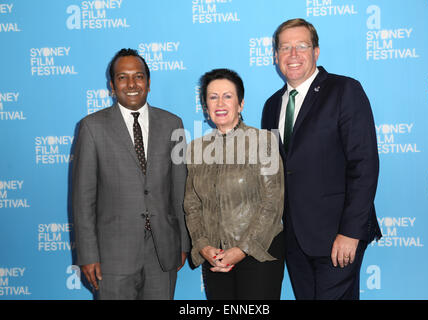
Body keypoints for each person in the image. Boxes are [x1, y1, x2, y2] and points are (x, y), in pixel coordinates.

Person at [261, 18, 382, 300]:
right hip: (294, 239)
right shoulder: (271, 106)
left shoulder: (344, 91)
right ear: (275, 56)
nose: (293, 55)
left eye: (301, 46)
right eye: (285, 47)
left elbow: (364, 166)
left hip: (338, 236)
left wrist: (350, 233)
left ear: (316, 51)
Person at [72, 48, 190, 300]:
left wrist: (183, 243)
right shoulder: (92, 128)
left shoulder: (173, 124)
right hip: (112, 257)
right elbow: (83, 199)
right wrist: (88, 254)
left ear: (148, 82)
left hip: (163, 253)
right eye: (122, 77)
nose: (131, 84)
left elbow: (180, 189)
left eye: (138, 76)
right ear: (112, 86)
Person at [184, 68, 285, 300]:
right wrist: (203, 246)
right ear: (205, 106)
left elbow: (272, 204)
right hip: (215, 256)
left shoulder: (264, 142)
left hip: (259, 253)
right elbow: (191, 204)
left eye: (227, 96)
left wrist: (241, 250)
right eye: (213, 97)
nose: (220, 103)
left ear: (240, 104)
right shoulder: (196, 149)